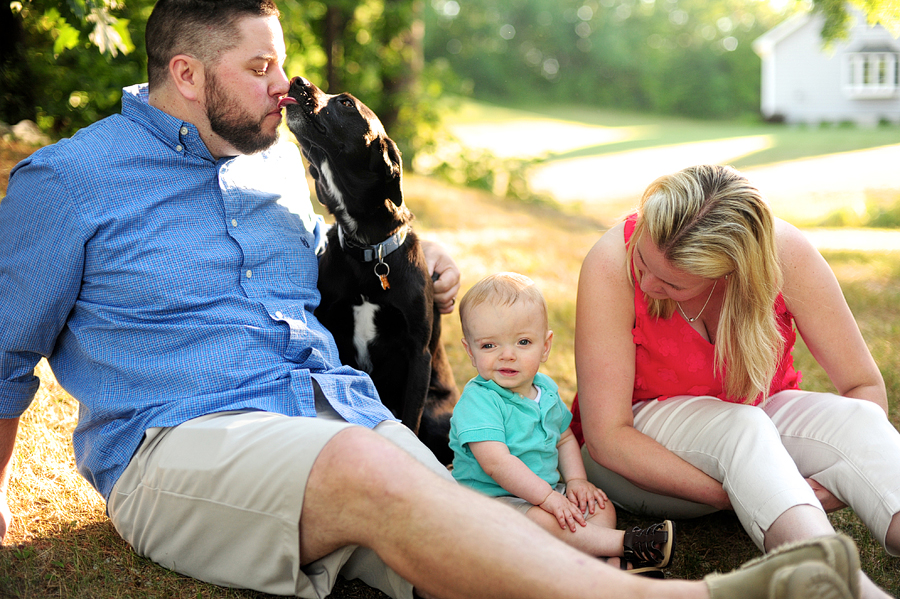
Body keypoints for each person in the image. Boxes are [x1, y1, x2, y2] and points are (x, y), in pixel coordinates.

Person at [0, 1, 869, 597]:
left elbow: (307, 268)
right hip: (181, 443)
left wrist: (419, 255)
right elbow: (4, 354)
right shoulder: (69, 182)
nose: (283, 87)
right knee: (372, 472)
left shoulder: (269, 164)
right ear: (187, 74)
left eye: (284, 63)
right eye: (260, 66)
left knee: (491, 523)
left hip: (329, 412)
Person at [571, 164, 900, 599]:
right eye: (643, 261)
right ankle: (839, 586)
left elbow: (863, 386)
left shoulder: (784, 254)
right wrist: (736, 494)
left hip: (758, 427)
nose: (647, 283)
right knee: (743, 427)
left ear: (728, 271)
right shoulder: (611, 261)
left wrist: (821, 481)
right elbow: (607, 435)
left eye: (671, 282)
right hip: (636, 444)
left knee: (854, 418)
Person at [451, 272, 675, 576]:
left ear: (545, 346)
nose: (507, 355)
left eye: (523, 342)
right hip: (493, 501)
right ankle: (625, 544)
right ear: (470, 351)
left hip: (547, 491)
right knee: (544, 521)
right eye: (489, 346)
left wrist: (576, 483)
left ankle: (595, 564)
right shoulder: (479, 401)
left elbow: (564, 438)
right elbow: (497, 464)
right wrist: (547, 499)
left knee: (599, 506)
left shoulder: (546, 391)